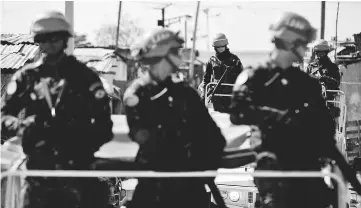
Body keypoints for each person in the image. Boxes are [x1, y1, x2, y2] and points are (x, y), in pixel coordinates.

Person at [229, 12, 361, 208]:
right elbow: (237, 113)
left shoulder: (306, 84)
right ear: (290, 42)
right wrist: (278, 117)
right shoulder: (254, 76)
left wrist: (354, 182)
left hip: (307, 170)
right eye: (303, 43)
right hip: (274, 171)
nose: (307, 48)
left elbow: (326, 137)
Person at [1, 11, 113, 208]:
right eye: (44, 38)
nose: (50, 43)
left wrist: (79, 141)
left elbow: (104, 125)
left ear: (64, 39)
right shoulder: (27, 78)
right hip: (38, 175)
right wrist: (23, 128)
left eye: (56, 37)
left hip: (78, 174)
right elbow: (3, 116)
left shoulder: (85, 78)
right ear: (37, 41)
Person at [123, 29, 226, 208]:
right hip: (153, 189)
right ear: (162, 54)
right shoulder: (138, 94)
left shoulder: (185, 93)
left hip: (190, 188)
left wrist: (204, 168)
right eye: (176, 51)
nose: (181, 56)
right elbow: (147, 138)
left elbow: (214, 137)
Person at [202, 33, 244, 112]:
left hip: (230, 94)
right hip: (216, 94)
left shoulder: (235, 60)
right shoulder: (212, 61)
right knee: (218, 116)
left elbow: (241, 77)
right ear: (215, 48)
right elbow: (206, 79)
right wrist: (204, 94)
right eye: (218, 47)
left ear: (226, 46)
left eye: (222, 46)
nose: (221, 48)